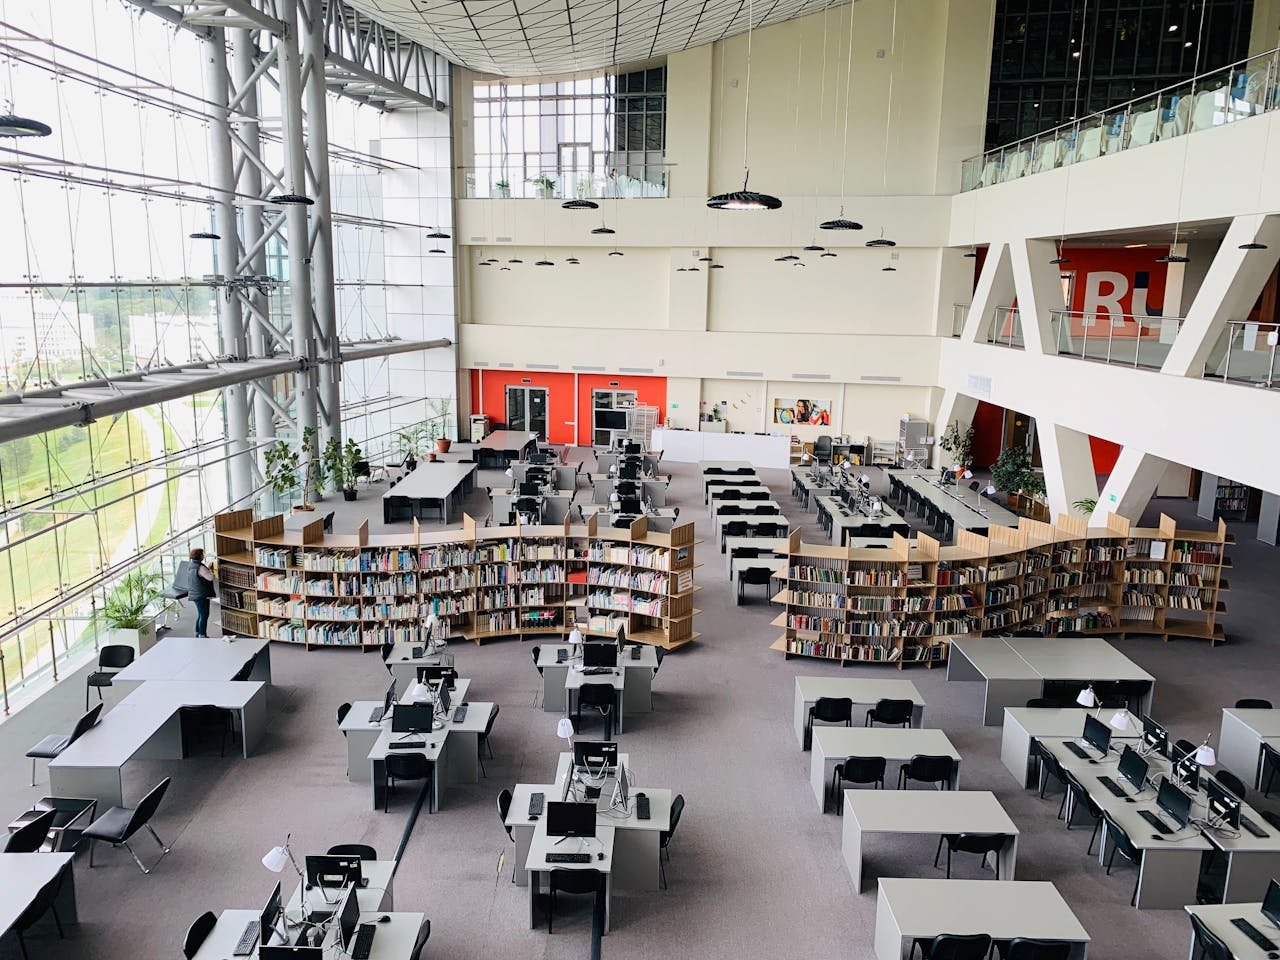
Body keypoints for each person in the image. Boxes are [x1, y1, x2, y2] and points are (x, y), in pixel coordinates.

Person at [188, 548, 216, 638]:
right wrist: (211, 571)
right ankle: (202, 634)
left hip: (194, 593)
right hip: (201, 594)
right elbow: (210, 578)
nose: (203, 555)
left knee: (200, 614)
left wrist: (207, 568)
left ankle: (197, 632)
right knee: (204, 615)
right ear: (200, 556)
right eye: (202, 554)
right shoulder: (200, 567)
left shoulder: (191, 565)